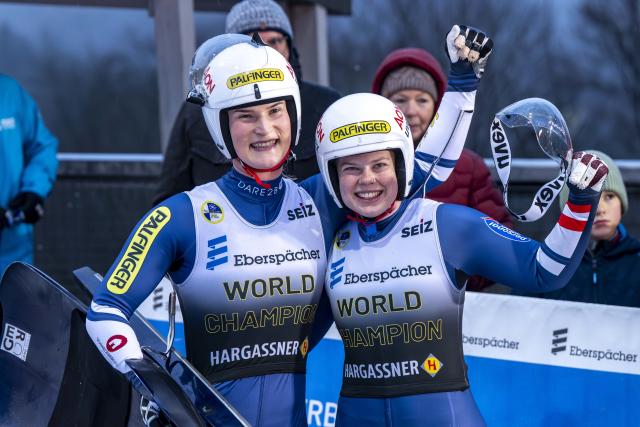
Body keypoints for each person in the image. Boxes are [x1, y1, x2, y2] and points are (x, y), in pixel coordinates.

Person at [86, 26, 491, 426]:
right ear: (221, 126)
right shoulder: (181, 215)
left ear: (293, 115)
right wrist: (153, 383)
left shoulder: (320, 201)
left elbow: (424, 172)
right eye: (246, 116)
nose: (265, 129)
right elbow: (104, 310)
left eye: (275, 111)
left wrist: (461, 86)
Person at [315, 93, 608, 426]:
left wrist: (581, 201)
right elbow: (293, 340)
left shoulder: (446, 225)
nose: (367, 179)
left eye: (380, 164)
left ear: (400, 164)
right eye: (351, 168)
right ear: (332, 175)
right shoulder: (333, 239)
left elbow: (544, 271)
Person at [153, 0, 341, 205]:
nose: (267, 50)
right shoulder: (198, 110)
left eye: (276, 41)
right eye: (255, 42)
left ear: (289, 47)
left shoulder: (326, 104)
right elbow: (169, 194)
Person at [372, 47, 512, 291]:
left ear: (438, 107)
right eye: (400, 100)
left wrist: (457, 277)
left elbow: (501, 241)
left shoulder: (468, 166)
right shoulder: (364, 167)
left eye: (422, 100)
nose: (411, 110)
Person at [537, 150, 640, 307]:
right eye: (591, 199)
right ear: (569, 210)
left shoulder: (636, 261)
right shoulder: (546, 265)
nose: (599, 209)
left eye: (609, 197)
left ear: (622, 202)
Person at [0, 74, 58, 278]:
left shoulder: (10, 92)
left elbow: (42, 147)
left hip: (12, 243)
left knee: (15, 306)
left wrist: (34, 189)